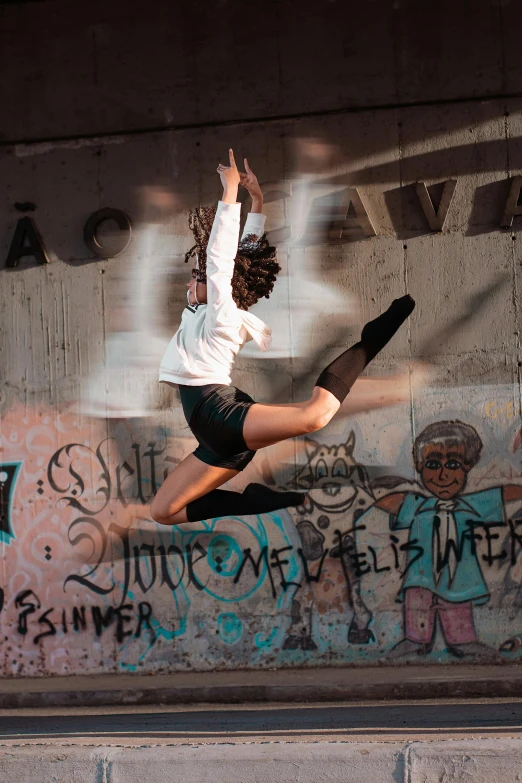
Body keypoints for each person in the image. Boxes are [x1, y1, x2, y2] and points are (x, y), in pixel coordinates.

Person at [150, 149, 415, 526]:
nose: (191, 281)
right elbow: (241, 258)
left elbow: (222, 258)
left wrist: (230, 194)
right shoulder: (201, 311)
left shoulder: (221, 316)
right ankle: (253, 500)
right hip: (215, 441)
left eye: (198, 275)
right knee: (163, 512)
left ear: (219, 284)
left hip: (221, 417)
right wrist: (257, 201)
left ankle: (370, 341)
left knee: (316, 414)